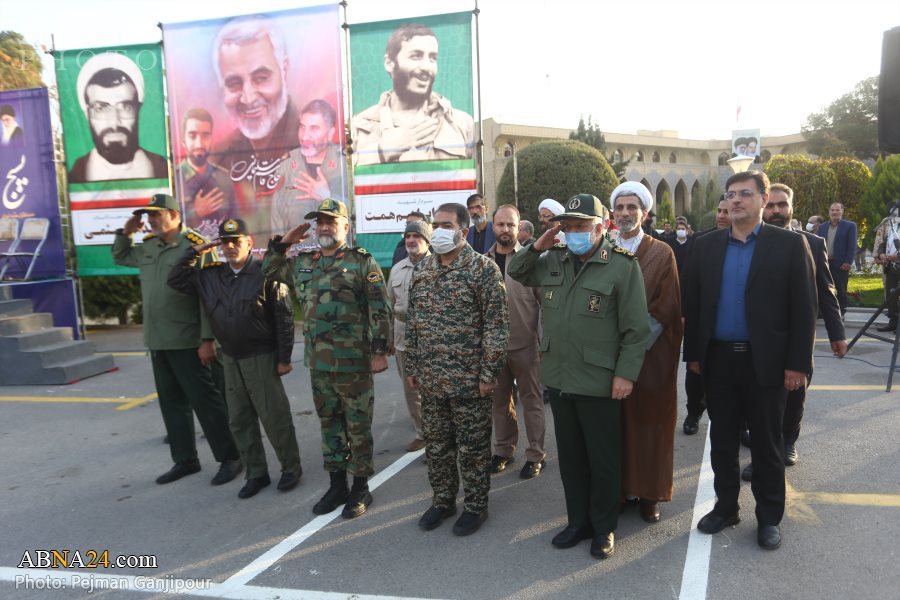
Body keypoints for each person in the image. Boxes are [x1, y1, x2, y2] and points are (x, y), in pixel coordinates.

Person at [508, 194, 650, 559]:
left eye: (581, 226)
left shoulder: (622, 265)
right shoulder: (553, 259)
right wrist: (537, 245)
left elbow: (636, 330)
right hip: (559, 375)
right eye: (568, 226)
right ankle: (578, 522)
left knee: (602, 459)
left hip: (600, 379)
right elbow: (517, 272)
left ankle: (604, 528)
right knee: (571, 459)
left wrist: (625, 375)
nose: (573, 232)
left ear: (601, 227)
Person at [683, 170, 816, 551]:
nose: (736, 200)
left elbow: (804, 308)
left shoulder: (789, 245)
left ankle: (769, 517)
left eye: (745, 193)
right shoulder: (706, 246)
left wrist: (797, 365)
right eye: (731, 194)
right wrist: (694, 356)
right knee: (722, 441)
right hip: (719, 361)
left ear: (763, 199)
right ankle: (726, 508)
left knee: (767, 444)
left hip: (767, 363)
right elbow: (694, 305)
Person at [264, 198, 391, 519]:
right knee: (329, 424)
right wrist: (284, 243)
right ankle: (337, 485)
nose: (323, 227)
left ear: (345, 226)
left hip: (354, 362)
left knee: (357, 426)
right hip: (319, 363)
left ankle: (360, 486)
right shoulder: (304, 261)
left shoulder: (362, 262)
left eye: (330, 221)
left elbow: (379, 307)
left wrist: (379, 352)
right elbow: (269, 270)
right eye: (319, 222)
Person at [112, 193, 242, 486]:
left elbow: (209, 297)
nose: (151, 220)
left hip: (189, 340)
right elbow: (121, 256)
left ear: (174, 215)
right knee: (172, 404)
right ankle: (185, 460)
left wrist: (207, 339)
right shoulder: (149, 246)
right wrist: (125, 232)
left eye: (156, 214)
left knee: (207, 403)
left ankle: (231, 457)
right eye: (148, 216)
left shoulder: (196, 246)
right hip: (158, 339)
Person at [167, 218, 302, 499]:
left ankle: (290, 468)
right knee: (240, 420)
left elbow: (284, 317)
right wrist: (196, 251)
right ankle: (256, 473)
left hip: (261, 356)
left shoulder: (265, 272)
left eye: (236, 241)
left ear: (249, 243)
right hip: (230, 357)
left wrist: (284, 358)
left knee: (274, 417)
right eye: (225, 242)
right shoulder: (211, 276)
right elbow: (175, 279)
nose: (230, 247)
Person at [405, 202, 508, 536]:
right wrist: (413, 365)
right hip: (432, 378)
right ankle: (443, 501)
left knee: (473, 448)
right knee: (437, 447)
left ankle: (476, 506)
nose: (438, 231)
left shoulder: (483, 269)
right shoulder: (423, 269)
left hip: (469, 380)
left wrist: (489, 374)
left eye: (446, 225)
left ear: (464, 231)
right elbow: (414, 321)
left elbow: (496, 326)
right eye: (435, 225)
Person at [739, 183, 846, 481]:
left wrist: (837, 333)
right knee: (760, 398)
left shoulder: (812, 243)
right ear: (763, 206)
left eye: (782, 205)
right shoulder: (749, 242)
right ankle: (763, 453)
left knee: (795, 393)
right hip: (760, 335)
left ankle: (788, 441)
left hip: (797, 334)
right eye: (771, 205)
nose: (776, 211)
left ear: (791, 208)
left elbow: (826, 291)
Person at [609, 182, 683, 524]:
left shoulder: (661, 253)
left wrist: (631, 349)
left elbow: (665, 308)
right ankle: (620, 489)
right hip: (607, 356)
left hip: (651, 356)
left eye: (632, 207)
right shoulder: (602, 249)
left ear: (645, 213)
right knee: (616, 425)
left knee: (650, 424)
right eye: (620, 207)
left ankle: (649, 494)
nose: (625, 213)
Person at [213, 14, 301, 234]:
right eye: (234, 83)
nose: (248, 98)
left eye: (261, 78)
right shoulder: (217, 159)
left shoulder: (312, 144)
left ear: (284, 71)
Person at [353, 23, 474, 166]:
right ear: (389, 63)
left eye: (433, 58)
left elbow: (473, 175)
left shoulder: (462, 123)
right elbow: (347, 175)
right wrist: (381, 152)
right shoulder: (359, 126)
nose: (426, 67)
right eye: (416, 56)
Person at [486, 204, 545, 479]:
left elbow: (544, 304)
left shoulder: (531, 261)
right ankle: (503, 450)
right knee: (500, 403)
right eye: (501, 224)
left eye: (511, 224)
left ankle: (535, 455)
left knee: (532, 402)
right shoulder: (483, 262)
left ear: (519, 227)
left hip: (526, 345)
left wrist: (543, 343)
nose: (505, 229)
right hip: (494, 349)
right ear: (493, 226)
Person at [69, 52, 168, 183]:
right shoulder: (77, 174)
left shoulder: (161, 168)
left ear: (138, 110)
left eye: (125, 107)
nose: (114, 122)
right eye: (100, 108)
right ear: (87, 114)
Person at [682, 196, 731, 436]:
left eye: (726, 212)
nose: (721, 216)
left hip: (730, 325)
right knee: (696, 375)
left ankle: (740, 423)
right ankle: (694, 412)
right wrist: (684, 315)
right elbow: (688, 282)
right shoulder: (700, 241)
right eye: (719, 211)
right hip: (702, 322)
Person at [387, 220, 433, 452]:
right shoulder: (397, 269)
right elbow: (389, 306)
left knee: (434, 388)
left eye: (417, 236)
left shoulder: (439, 266)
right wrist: (389, 339)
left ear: (427, 240)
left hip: (432, 337)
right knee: (411, 389)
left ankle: (441, 436)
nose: (411, 240)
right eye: (408, 236)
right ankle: (422, 433)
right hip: (403, 337)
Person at [270, 99, 347, 237]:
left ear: (330, 133)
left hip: (334, 248)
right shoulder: (287, 165)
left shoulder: (345, 163)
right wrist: (279, 248)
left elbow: (359, 212)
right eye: (302, 127)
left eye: (314, 128)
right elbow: (277, 220)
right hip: (298, 249)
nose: (304, 136)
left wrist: (328, 197)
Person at [176, 108, 237, 236]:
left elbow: (234, 223)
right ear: (183, 141)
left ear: (211, 139)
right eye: (192, 136)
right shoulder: (174, 179)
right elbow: (167, 230)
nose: (199, 143)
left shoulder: (224, 178)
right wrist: (195, 213)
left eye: (205, 136)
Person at [817, 203, 858, 316]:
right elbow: (818, 245)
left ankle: (841, 311)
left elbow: (852, 245)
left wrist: (848, 262)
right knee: (824, 288)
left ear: (842, 211)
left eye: (837, 210)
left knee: (841, 290)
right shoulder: (822, 227)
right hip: (825, 263)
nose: (835, 212)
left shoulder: (850, 226)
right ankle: (825, 311)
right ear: (829, 212)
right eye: (832, 210)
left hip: (841, 264)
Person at [873, 201, 900, 331]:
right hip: (891, 266)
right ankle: (893, 322)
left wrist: (897, 256)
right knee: (891, 294)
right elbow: (883, 242)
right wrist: (881, 254)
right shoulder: (891, 224)